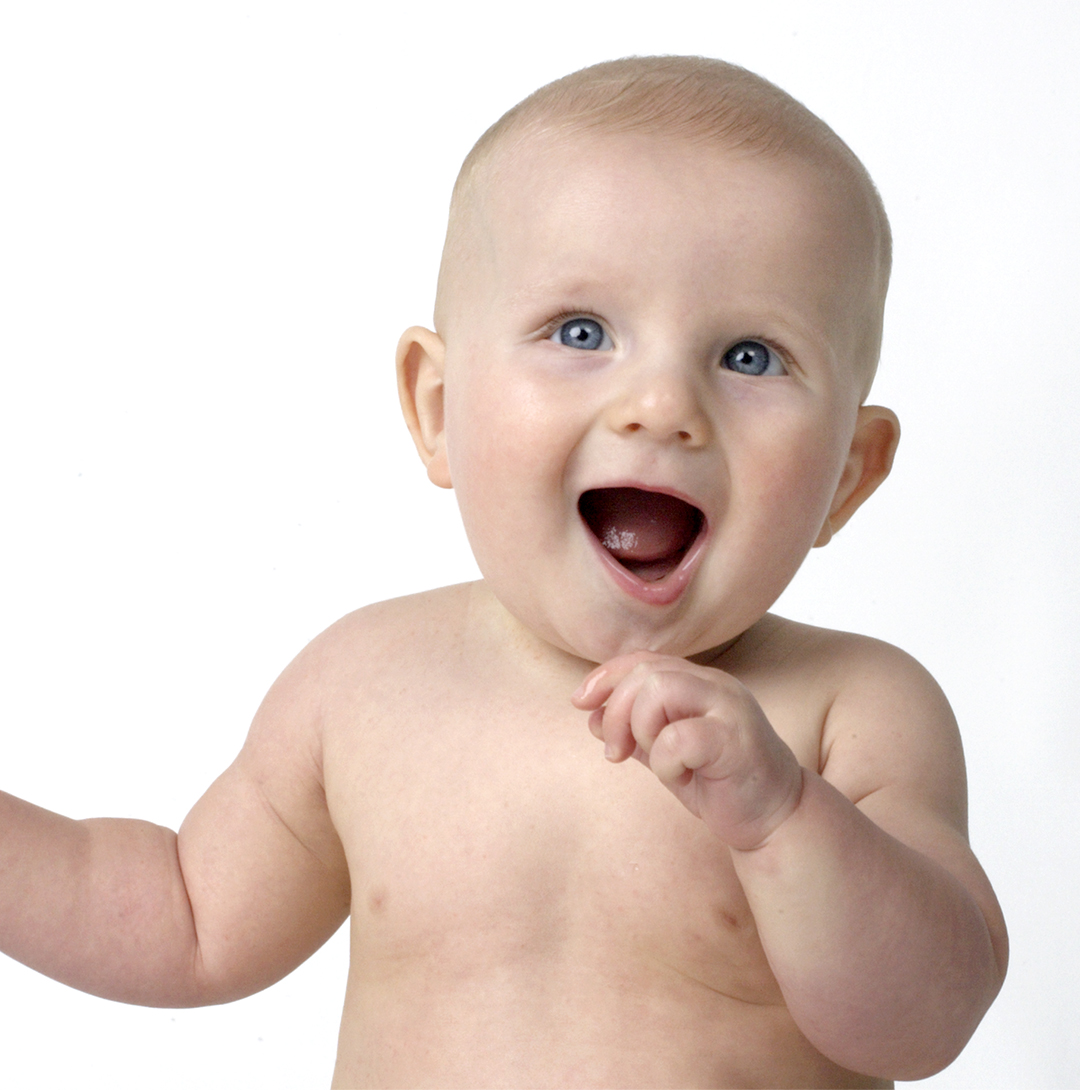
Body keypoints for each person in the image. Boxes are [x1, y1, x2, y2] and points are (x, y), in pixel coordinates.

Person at [0, 56, 1006, 1088]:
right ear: (439, 409)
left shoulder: (853, 712)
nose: (662, 404)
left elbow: (922, 1020)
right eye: (583, 333)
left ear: (848, 473)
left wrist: (785, 817)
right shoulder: (364, 685)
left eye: (749, 356)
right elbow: (187, 915)